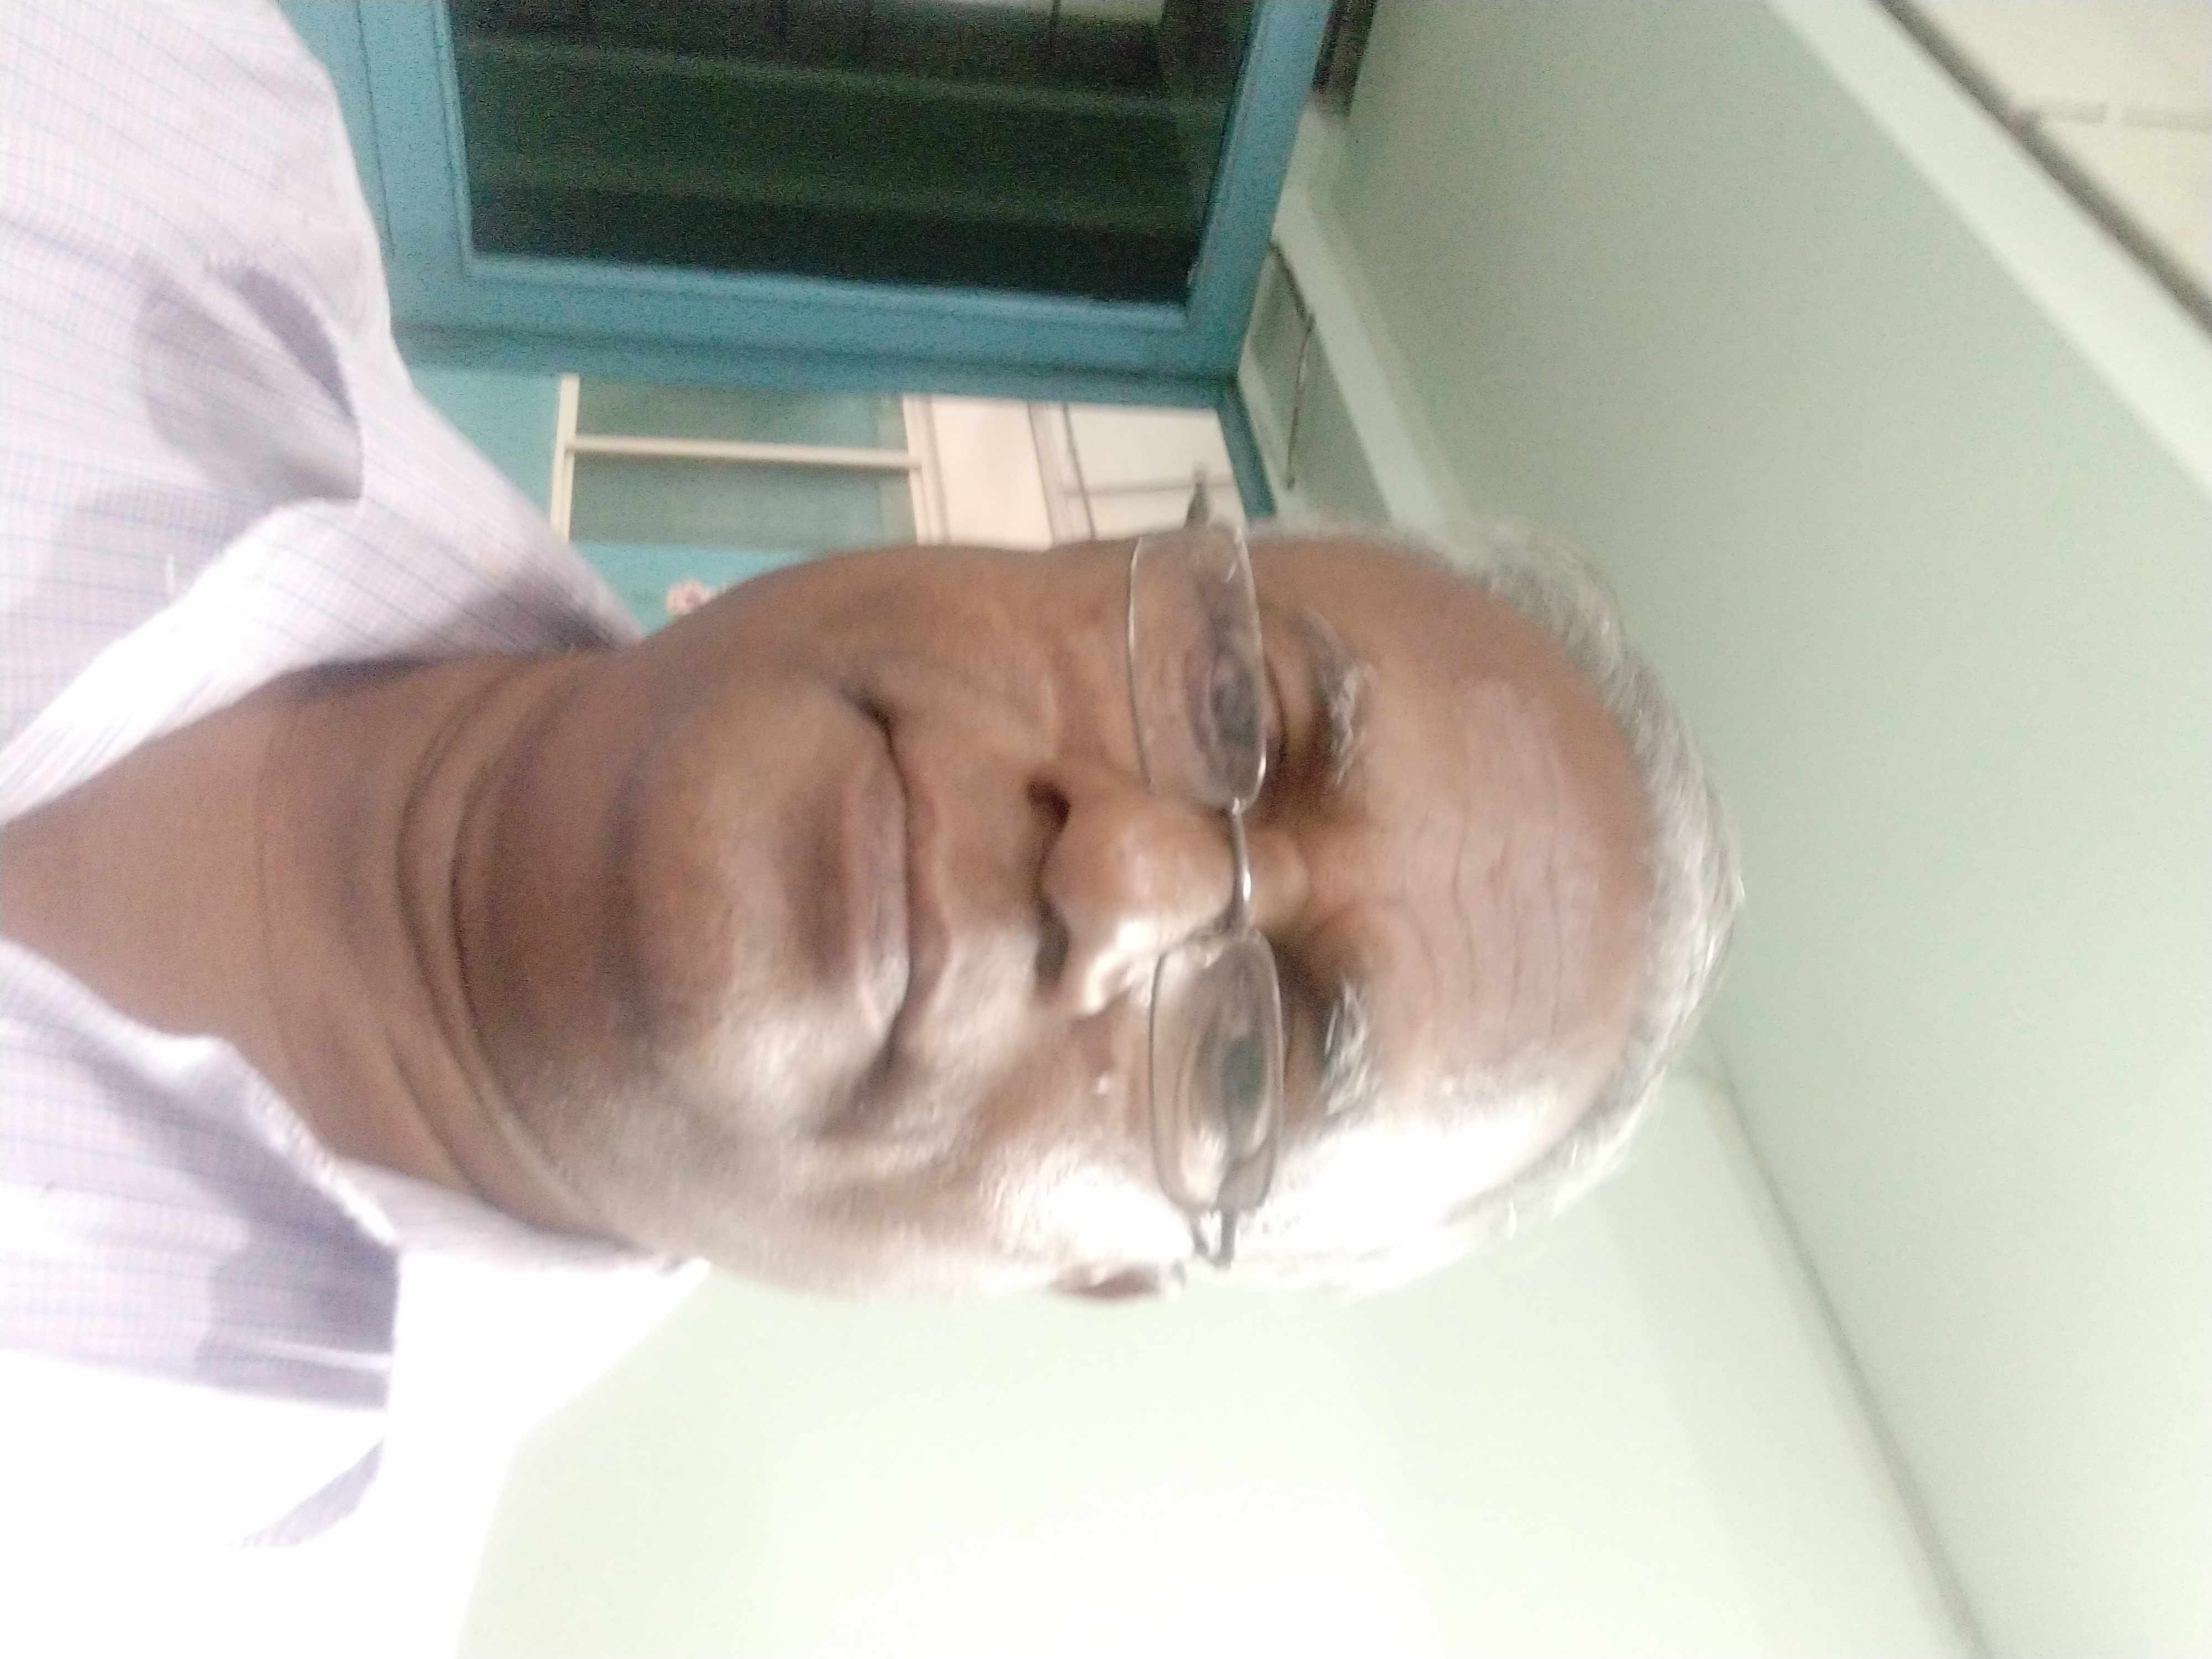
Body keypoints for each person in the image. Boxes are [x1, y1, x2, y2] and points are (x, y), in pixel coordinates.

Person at [0, 0, 1735, 1631]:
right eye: (1236, 710)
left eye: (1240, 1063)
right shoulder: (130, 88)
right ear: (1085, 554)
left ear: (1092, 1270)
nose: (1120, 872)